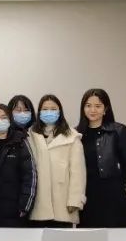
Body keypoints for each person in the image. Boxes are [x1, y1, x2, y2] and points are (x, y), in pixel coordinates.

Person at [76, 88, 126, 228]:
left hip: (112, 194)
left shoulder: (119, 131)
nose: (92, 110)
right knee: (88, 237)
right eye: (88, 105)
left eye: (98, 106)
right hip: (87, 195)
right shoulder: (76, 134)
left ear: (105, 108)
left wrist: (117, 185)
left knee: (115, 237)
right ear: (83, 108)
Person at [28, 94, 86, 228]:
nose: (49, 112)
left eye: (53, 109)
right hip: (38, 203)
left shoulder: (72, 137)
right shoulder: (31, 135)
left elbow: (78, 172)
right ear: (39, 112)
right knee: (37, 240)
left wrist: (75, 200)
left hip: (63, 204)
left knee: (61, 240)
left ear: (60, 112)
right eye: (45, 109)